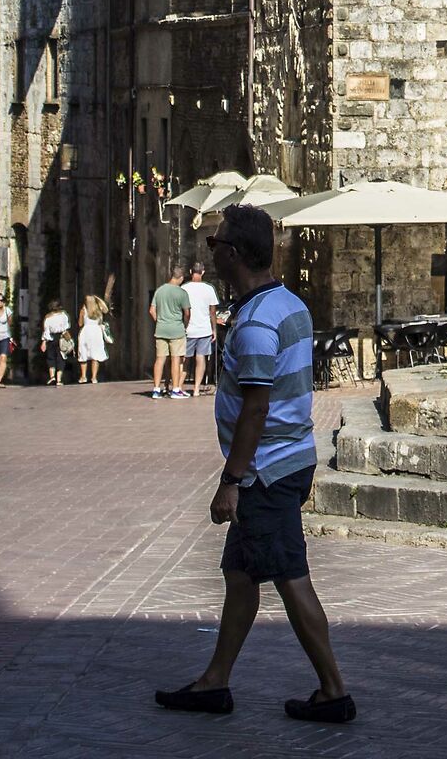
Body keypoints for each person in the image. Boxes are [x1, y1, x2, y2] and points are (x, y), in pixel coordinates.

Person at [156, 205, 353, 724]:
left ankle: (333, 690)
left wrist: (231, 481)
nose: (210, 251)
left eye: (214, 244)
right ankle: (214, 682)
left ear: (234, 254)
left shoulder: (257, 322)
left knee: (290, 576)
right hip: (290, 457)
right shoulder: (287, 303)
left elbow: (255, 406)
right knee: (240, 574)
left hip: (266, 468)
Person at [183, 263, 223, 398]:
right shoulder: (209, 289)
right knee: (201, 358)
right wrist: (214, 329)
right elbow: (212, 312)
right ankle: (196, 389)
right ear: (203, 272)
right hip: (204, 329)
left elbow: (183, 310)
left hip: (188, 329)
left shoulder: (184, 288)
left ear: (190, 271)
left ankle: (178, 386)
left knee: (185, 358)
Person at [150, 266, 191, 399]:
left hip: (161, 329)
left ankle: (156, 389)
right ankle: (175, 389)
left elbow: (152, 310)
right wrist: (185, 324)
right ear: (181, 278)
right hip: (176, 329)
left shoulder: (160, 290)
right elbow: (187, 313)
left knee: (160, 359)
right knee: (176, 359)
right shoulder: (182, 293)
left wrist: (159, 320)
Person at [77, 296, 109, 386]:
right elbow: (102, 318)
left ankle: (83, 376)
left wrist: (81, 315)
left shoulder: (84, 310)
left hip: (86, 332)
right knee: (95, 355)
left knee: (83, 354)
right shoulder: (99, 311)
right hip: (96, 332)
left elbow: (80, 323)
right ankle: (94, 377)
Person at [40, 302, 72, 385]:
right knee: (61, 358)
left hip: (51, 338)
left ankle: (52, 377)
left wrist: (44, 342)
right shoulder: (64, 315)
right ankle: (59, 379)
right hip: (62, 337)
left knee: (51, 357)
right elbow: (67, 326)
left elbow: (46, 331)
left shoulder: (48, 318)